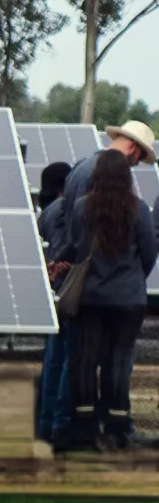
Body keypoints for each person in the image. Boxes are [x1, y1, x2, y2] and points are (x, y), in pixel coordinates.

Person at [46, 148, 159, 449]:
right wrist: (133, 277)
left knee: (85, 361)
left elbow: (76, 245)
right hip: (128, 299)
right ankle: (117, 427)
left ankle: (84, 427)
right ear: (126, 177)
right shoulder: (140, 209)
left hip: (91, 296)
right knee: (118, 362)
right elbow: (149, 253)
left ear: (97, 176)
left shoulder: (83, 208)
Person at [36, 156, 79, 443]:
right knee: (66, 358)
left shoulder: (46, 214)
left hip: (53, 293)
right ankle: (58, 424)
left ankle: (43, 420)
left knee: (53, 358)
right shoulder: (68, 212)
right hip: (71, 291)